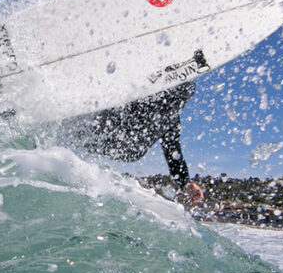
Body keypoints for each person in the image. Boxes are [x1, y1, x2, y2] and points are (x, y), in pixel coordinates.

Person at [65, 82, 204, 203]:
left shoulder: (171, 120)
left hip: (128, 149)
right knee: (105, 123)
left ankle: (73, 137)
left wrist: (185, 182)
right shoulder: (153, 97)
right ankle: (73, 133)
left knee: (100, 132)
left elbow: (173, 154)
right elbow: (173, 154)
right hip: (122, 136)